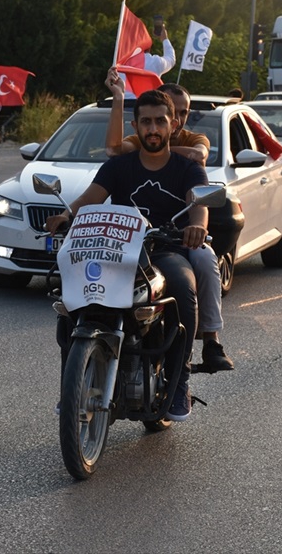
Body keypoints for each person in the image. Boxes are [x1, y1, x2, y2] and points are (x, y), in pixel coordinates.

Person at [45, 69, 209, 421]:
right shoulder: (119, 166)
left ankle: (179, 380)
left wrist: (196, 227)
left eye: (160, 122)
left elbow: (200, 207)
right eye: (146, 122)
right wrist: (66, 215)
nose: (153, 129)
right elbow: (90, 199)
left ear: (172, 126)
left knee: (183, 286)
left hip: (164, 251)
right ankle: (69, 385)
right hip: (118, 250)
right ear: (135, 127)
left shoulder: (188, 168)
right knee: (72, 297)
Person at [106, 81, 234, 373]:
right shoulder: (136, 145)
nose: (176, 120)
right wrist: (118, 99)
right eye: (147, 122)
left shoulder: (192, 139)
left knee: (203, 257)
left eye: (180, 114)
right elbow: (113, 150)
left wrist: (154, 146)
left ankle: (209, 341)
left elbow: (199, 156)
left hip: (178, 238)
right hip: (132, 241)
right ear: (137, 123)